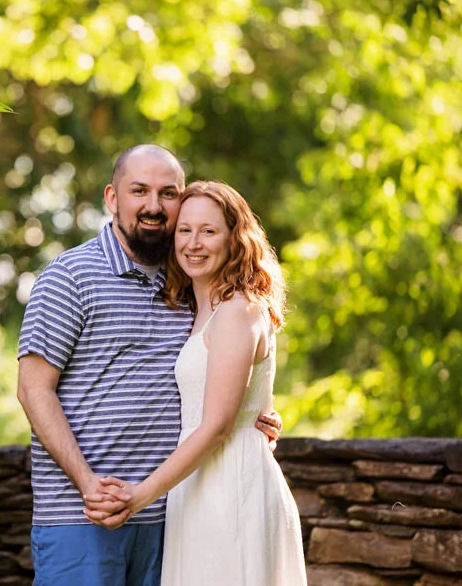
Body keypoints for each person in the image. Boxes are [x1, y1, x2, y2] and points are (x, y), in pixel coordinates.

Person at [16, 146, 282, 586]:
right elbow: (32, 390)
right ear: (112, 197)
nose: (154, 206)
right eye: (139, 191)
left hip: (172, 517)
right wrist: (88, 484)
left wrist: (256, 416)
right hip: (83, 516)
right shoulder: (70, 276)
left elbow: (217, 380)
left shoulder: (188, 283)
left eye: (168, 193)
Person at [86, 181, 307, 585]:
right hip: (197, 487)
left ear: (234, 238)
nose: (194, 243)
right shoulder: (197, 308)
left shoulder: (238, 310)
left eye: (209, 231)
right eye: (185, 230)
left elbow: (219, 426)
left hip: (230, 487)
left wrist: (139, 496)